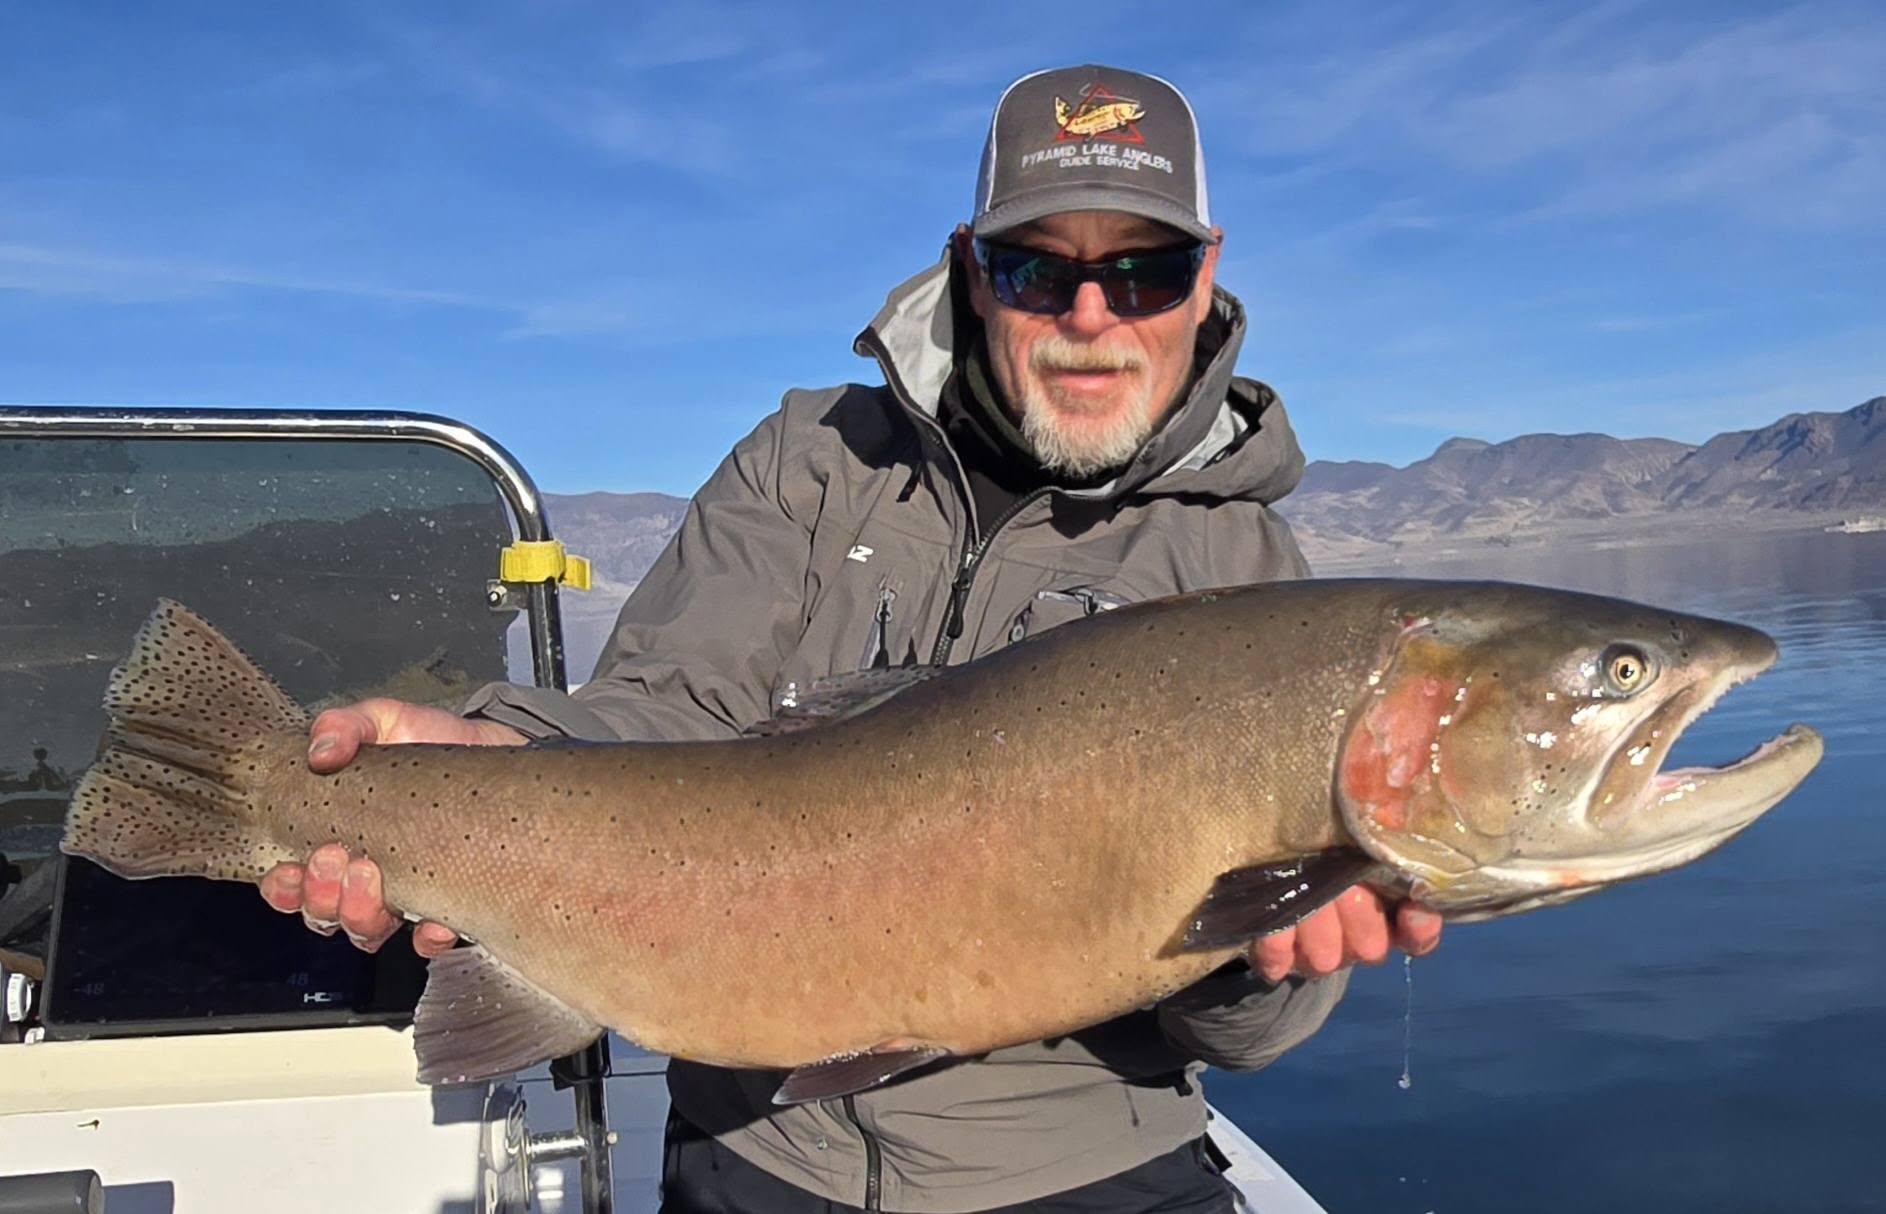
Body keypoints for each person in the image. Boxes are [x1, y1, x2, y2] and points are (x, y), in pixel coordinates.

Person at [261, 64, 1441, 1214]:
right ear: (973, 273)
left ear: (1206, 274)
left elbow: (1250, 1038)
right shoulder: (809, 459)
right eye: (1041, 269)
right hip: (753, 1152)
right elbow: (663, 710)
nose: (1092, 319)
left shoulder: (1242, 578)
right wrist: (490, 746)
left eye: (1143, 271)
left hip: (1080, 1173)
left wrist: (1268, 951)